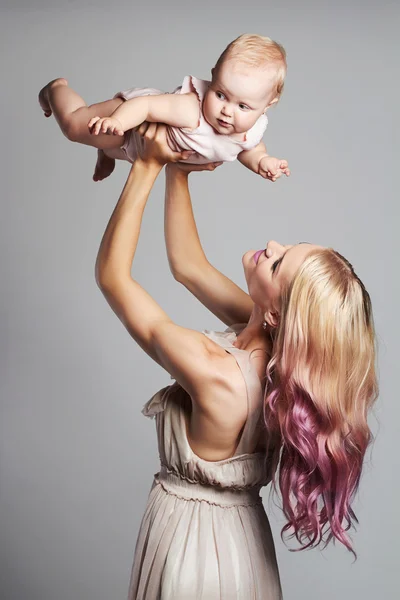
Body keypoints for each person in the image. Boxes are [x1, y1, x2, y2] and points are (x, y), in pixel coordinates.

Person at [95, 123, 378, 599]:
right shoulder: (276, 355)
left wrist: (145, 164)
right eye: (288, 247)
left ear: (275, 313)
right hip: (243, 544)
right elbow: (187, 263)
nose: (272, 245)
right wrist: (178, 170)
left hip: (193, 553)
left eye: (277, 264)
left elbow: (112, 278)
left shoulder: (216, 371)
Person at [38, 34, 290, 183]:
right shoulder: (190, 109)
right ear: (212, 78)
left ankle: (105, 152)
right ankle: (54, 90)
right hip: (135, 119)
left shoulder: (252, 128)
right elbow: (146, 107)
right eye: (221, 94)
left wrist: (262, 161)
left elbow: (250, 148)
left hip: (142, 149)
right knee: (74, 126)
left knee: (120, 150)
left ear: (267, 106)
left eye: (243, 106)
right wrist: (118, 122)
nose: (227, 111)